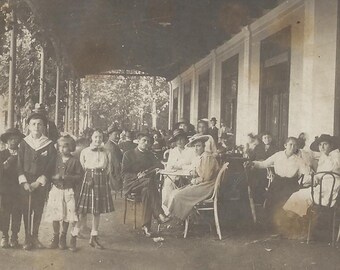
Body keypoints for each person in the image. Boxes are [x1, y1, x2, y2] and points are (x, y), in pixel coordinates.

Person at [249, 137, 312, 228]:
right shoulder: (278, 155)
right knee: (271, 201)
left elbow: (306, 173)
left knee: (286, 204)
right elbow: (264, 164)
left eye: (295, 145)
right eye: (290, 144)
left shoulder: (299, 160)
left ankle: (283, 226)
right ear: (285, 145)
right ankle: (269, 225)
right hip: (277, 182)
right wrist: (253, 163)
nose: (292, 147)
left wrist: (311, 176)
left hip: (291, 184)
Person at [18, 113, 57, 250]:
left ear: (44, 127)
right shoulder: (24, 143)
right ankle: (27, 238)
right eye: (33, 124)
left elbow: (50, 165)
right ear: (28, 126)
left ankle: (35, 237)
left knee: (38, 209)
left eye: (39, 124)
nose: (36, 126)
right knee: (26, 210)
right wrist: (24, 182)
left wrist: (39, 182)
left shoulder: (49, 144)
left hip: (40, 183)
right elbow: (19, 164)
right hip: (26, 183)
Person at [71, 129, 114, 250]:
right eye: (95, 137)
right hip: (89, 178)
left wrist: (101, 177)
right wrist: (90, 177)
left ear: (103, 139)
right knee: (82, 211)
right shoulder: (85, 151)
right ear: (91, 138)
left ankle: (93, 237)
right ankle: (73, 235)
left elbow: (108, 168)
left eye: (100, 137)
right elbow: (83, 166)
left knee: (97, 210)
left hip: (101, 179)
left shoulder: (107, 152)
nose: (97, 139)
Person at [121, 133, 169, 236]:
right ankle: (159, 214)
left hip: (146, 186)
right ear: (138, 141)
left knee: (147, 190)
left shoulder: (150, 154)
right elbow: (124, 173)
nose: (146, 143)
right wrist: (137, 175)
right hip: (132, 184)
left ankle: (146, 227)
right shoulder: (128, 154)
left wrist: (149, 171)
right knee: (149, 182)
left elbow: (159, 164)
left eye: (148, 141)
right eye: (144, 140)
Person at [284, 134, 340, 217]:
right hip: (322, 187)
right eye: (320, 145)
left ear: (331, 145)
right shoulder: (324, 157)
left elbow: (328, 170)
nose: (322, 147)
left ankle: (293, 221)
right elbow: (320, 174)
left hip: (331, 189)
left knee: (300, 195)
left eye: (325, 144)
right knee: (298, 194)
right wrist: (310, 178)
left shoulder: (336, 155)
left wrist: (316, 177)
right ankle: (294, 221)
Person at [166, 135, 220, 220]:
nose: (196, 148)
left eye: (198, 146)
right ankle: (178, 217)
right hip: (203, 185)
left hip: (206, 187)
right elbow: (202, 171)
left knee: (178, 195)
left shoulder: (207, 157)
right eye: (195, 146)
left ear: (204, 146)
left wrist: (195, 180)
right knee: (174, 192)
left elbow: (206, 177)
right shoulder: (201, 157)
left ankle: (180, 218)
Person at [44, 135, 83, 251]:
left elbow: (80, 176)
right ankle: (55, 236)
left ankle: (63, 236)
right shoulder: (55, 159)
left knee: (66, 215)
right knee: (55, 215)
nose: (62, 149)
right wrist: (53, 177)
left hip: (68, 191)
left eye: (65, 147)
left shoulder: (75, 161)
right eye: (60, 146)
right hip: (56, 190)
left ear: (71, 147)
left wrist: (66, 177)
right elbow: (48, 173)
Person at [0, 128, 25, 248]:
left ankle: (14, 236)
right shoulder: (2, 154)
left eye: (16, 139)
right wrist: (6, 163)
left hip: (19, 189)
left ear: (19, 140)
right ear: (6, 141)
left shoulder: (23, 153)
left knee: (17, 212)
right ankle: (4, 235)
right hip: (5, 189)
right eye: (10, 139)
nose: (13, 141)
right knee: (4, 212)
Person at [162, 129, 191, 214]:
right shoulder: (173, 151)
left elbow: (192, 163)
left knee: (186, 186)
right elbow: (170, 165)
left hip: (187, 175)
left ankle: (182, 211)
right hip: (175, 174)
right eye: (177, 140)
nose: (179, 141)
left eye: (182, 139)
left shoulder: (190, 150)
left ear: (185, 140)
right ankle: (169, 210)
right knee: (168, 183)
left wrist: (181, 165)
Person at [250, 132, 278, 204]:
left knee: (266, 183)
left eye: (268, 137)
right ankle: (257, 200)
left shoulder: (275, 148)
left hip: (270, 169)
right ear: (262, 139)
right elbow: (252, 158)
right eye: (265, 138)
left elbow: (277, 160)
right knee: (256, 182)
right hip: (258, 169)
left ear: (271, 139)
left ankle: (265, 201)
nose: (267, 139)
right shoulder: (258, 147)